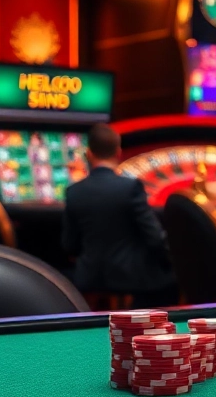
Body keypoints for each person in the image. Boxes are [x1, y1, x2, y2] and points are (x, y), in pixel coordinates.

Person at [61, 124, 176, 306]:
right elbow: (154, 238)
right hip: (128, 278)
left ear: (89, 154)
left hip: (88, 278)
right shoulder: (130, 188)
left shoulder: (73, 191)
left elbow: (69, 245)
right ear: (118, 152)